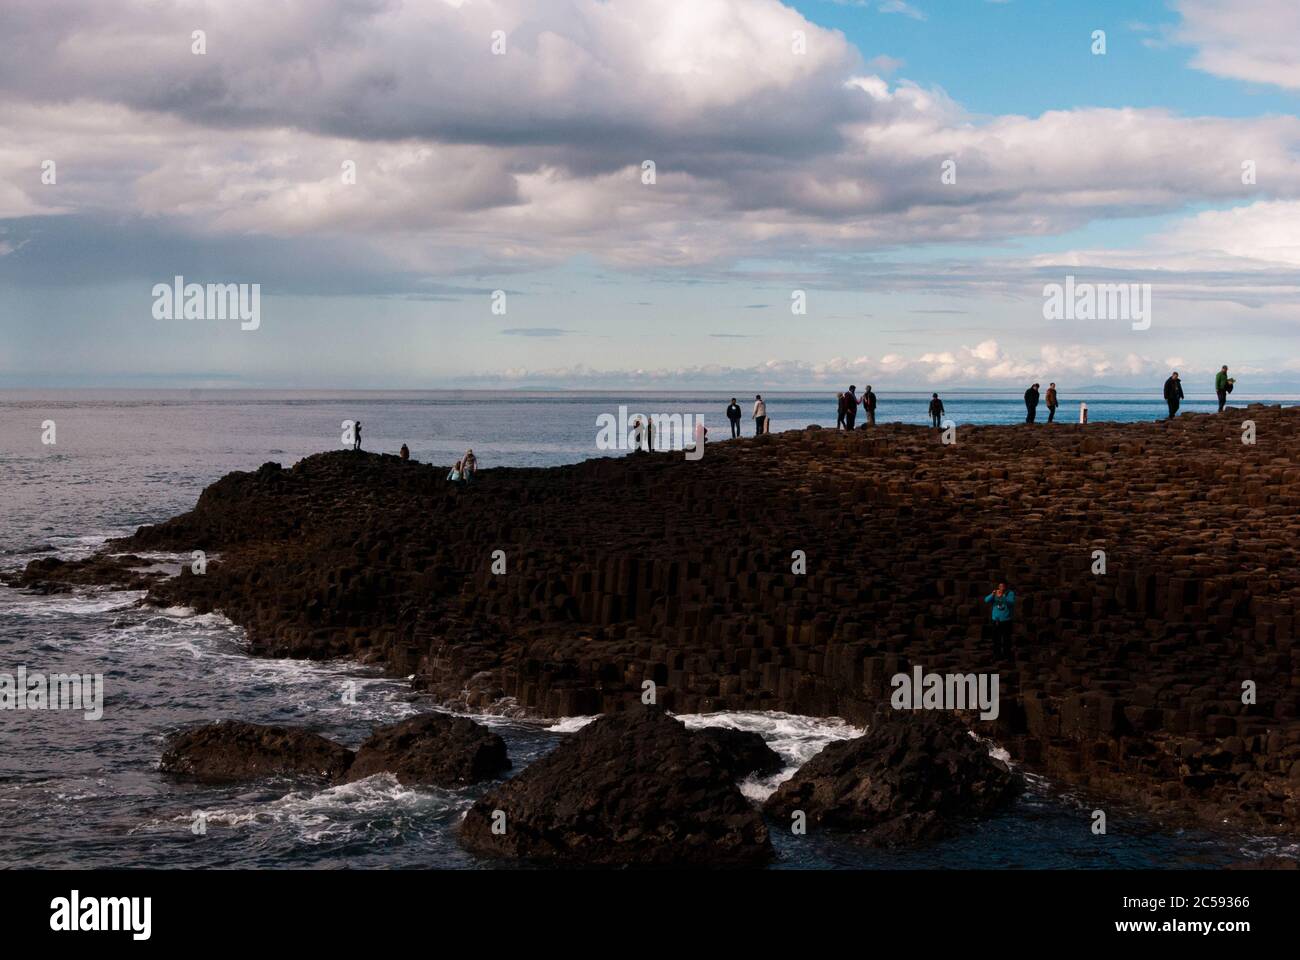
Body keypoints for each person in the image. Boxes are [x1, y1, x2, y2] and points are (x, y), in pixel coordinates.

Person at [985, 583, 1017, 660]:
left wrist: (1002, 596)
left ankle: (1007, 655)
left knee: (1006, 639)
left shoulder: (1010, 593)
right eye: (1000, 586)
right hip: (996, 620)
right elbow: (986, 600)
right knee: (996, 639)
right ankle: (997, 655)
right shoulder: (995, 593)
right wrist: (992, 594)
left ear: (1006, 587)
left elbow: (1011, 602)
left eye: (1003, 586)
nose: (1001, 588)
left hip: (1006, 620)